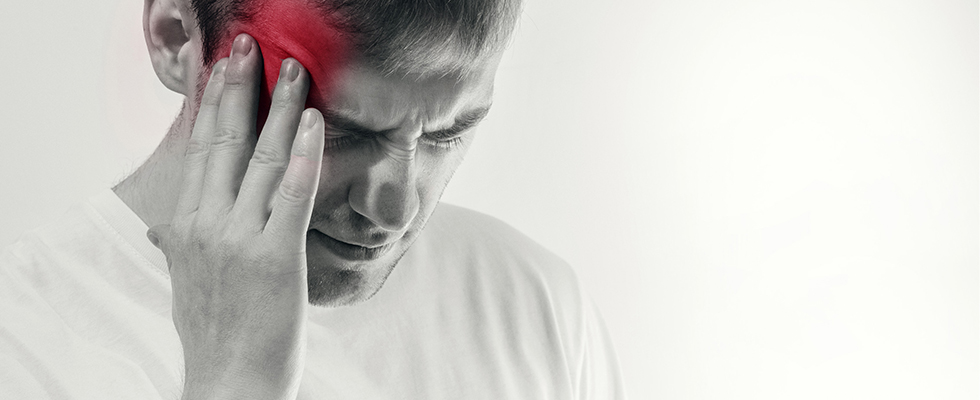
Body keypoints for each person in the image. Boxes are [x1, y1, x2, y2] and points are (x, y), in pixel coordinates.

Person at [0, 0, 625, 398]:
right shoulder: (25, 346)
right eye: (340, 131)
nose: (396, 211)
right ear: (176, 41)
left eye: (446, 134)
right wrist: (236, 382)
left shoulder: (533, 303)